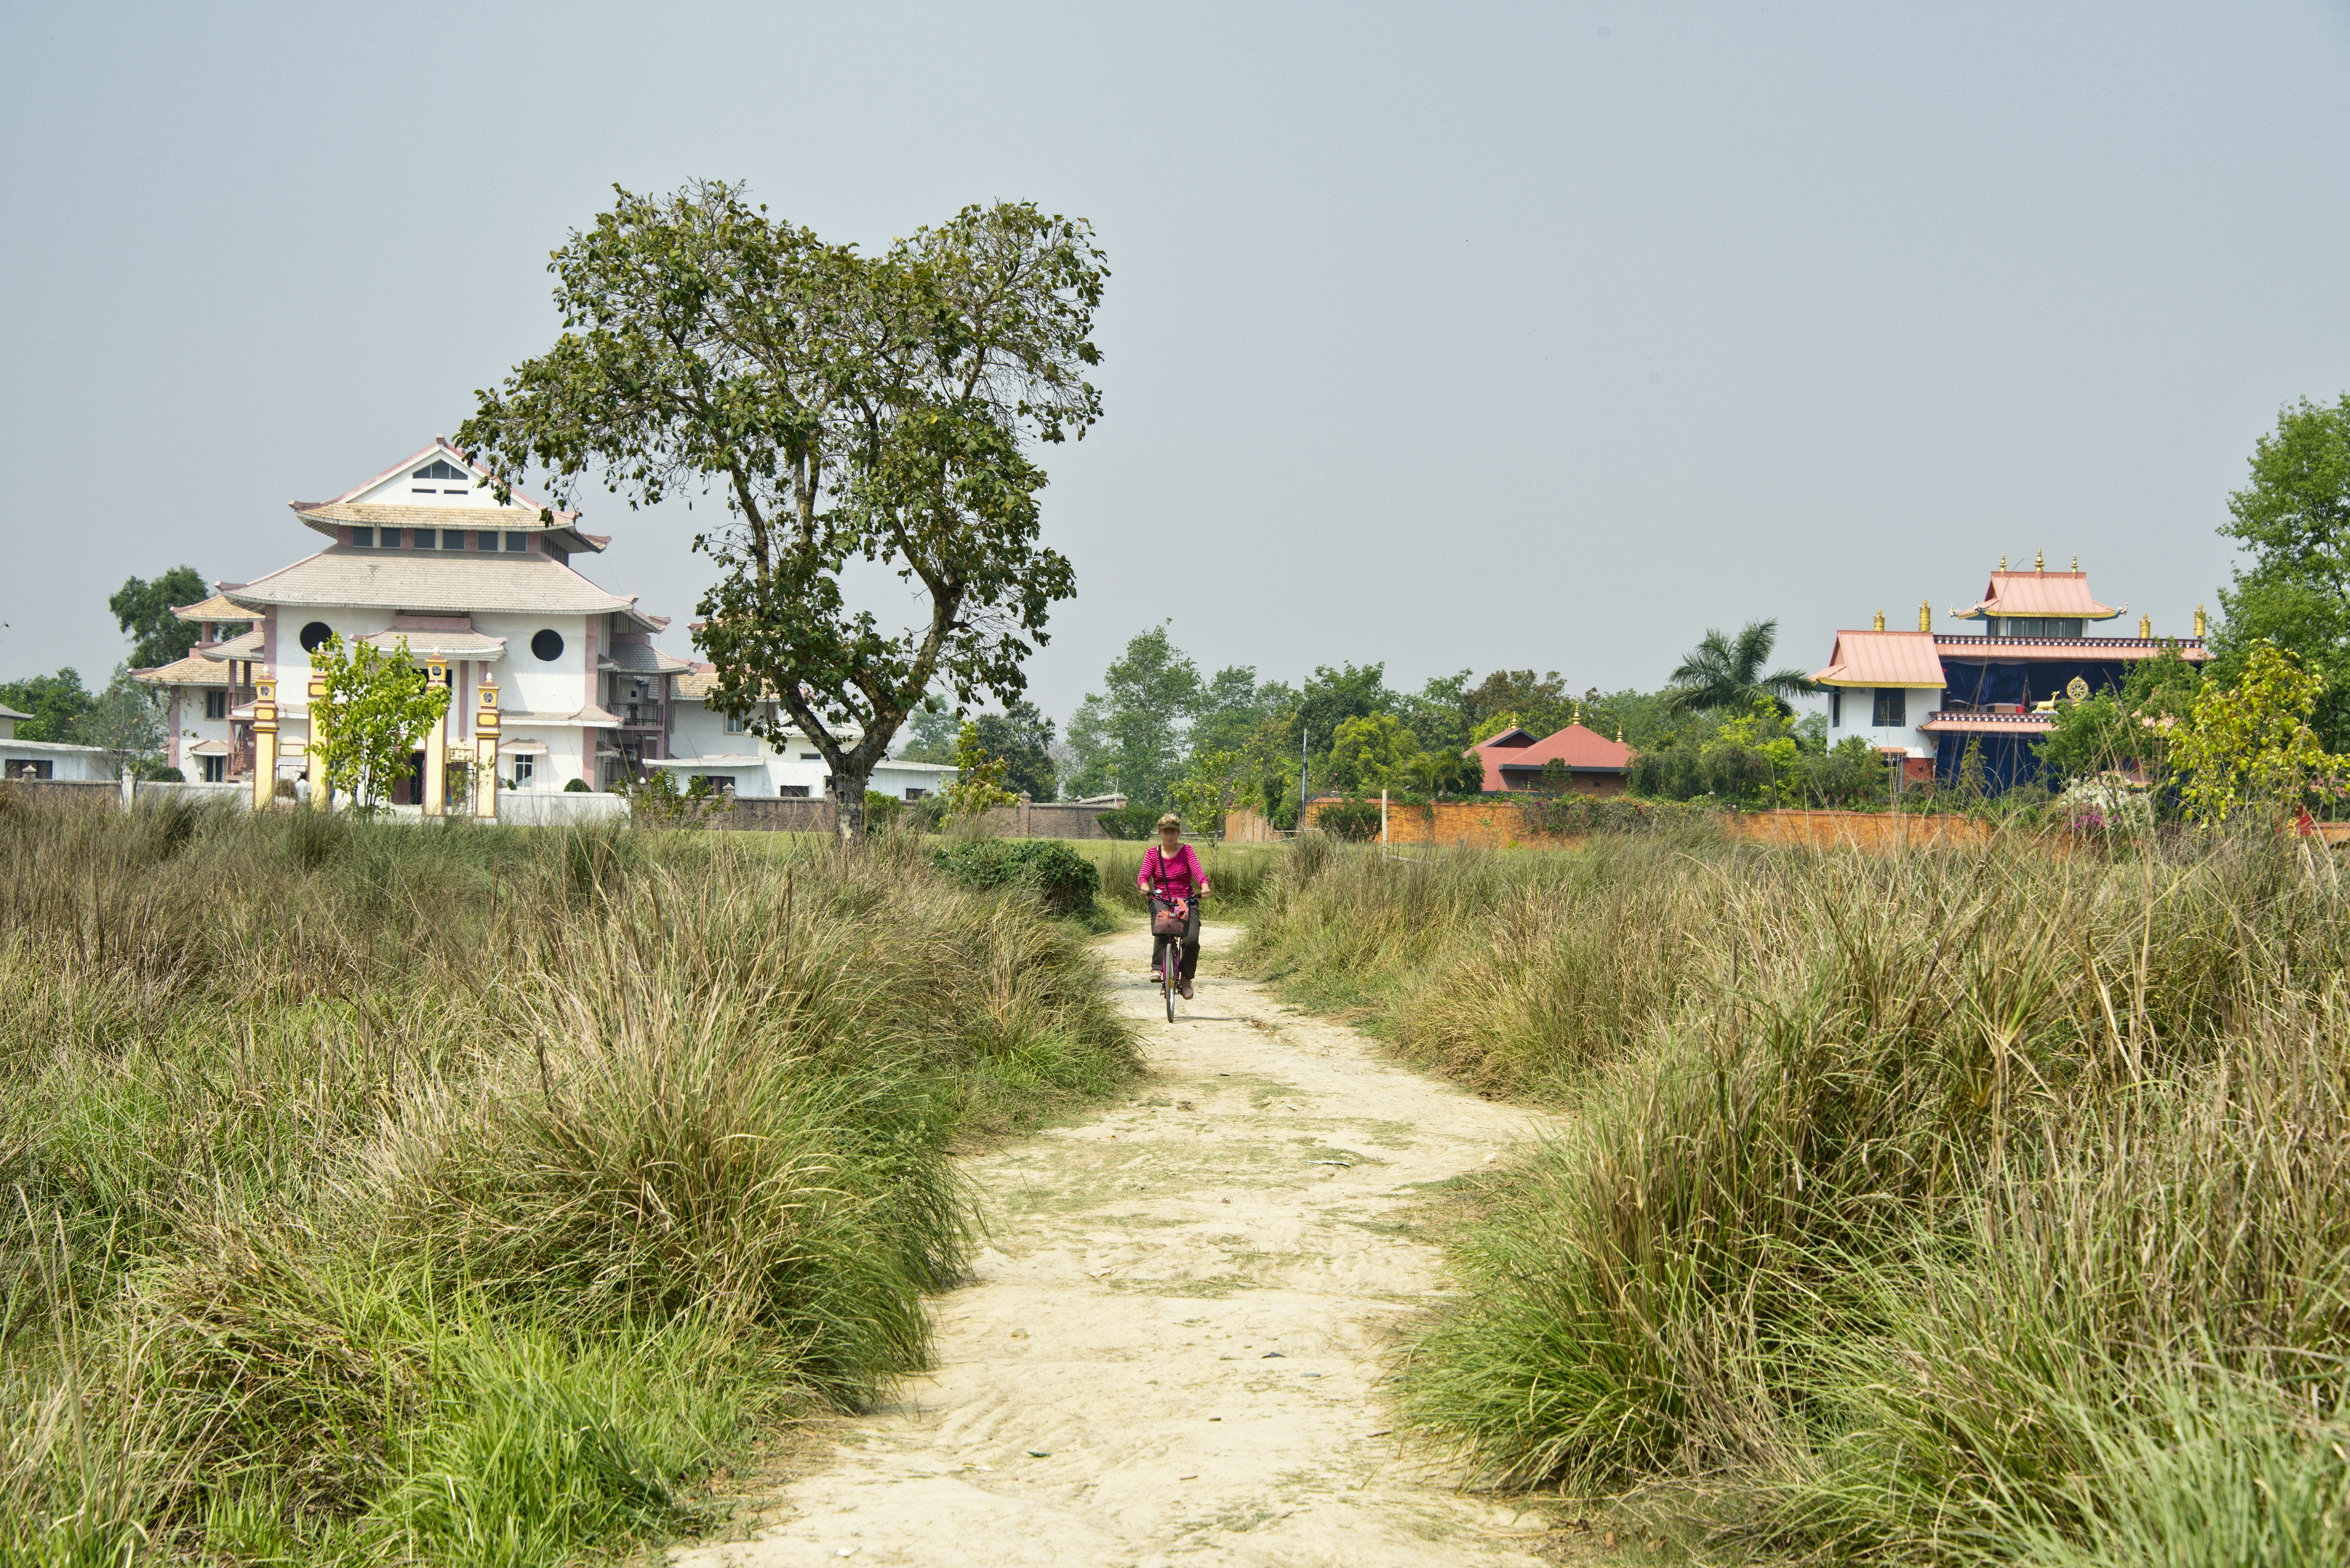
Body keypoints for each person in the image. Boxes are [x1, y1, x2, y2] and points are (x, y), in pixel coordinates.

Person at [1138, 811, 1209, 999]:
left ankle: (1186, 978)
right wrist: (1145, 887)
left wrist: (1204, 884)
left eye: (1173, 832)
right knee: (1164, 926)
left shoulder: (1187, 851)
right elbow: (1144, 875)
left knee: (1191, 939)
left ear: (1178, 833)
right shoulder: (1153, 853)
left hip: (1185, 900)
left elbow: (1198, 872)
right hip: (1161, 898)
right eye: (1166, 832)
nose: (1170, 836)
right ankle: (1158, 969)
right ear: (1160, 833)